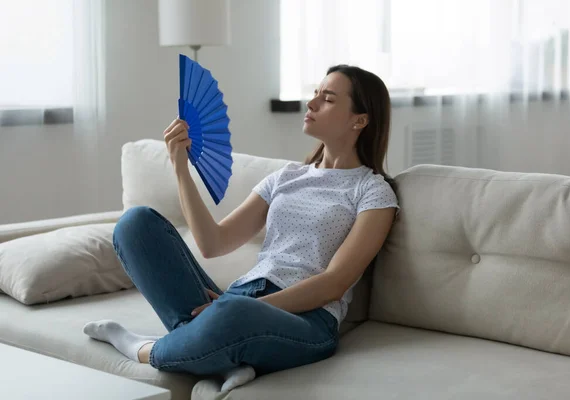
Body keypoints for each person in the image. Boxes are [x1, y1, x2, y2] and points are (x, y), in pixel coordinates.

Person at [83, 64, 399, 392]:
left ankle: (144, 349)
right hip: (240, 298)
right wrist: (179, 167)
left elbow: (334, 283)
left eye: (328, 99)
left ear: (359, 120)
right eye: (315, 94)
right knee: (136, 224)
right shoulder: (287, 177)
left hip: (306, 320)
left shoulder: (372, 191)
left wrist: (245, 308)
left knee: (231, 315)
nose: (312, 104)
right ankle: (226, 359)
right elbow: (212, 243)